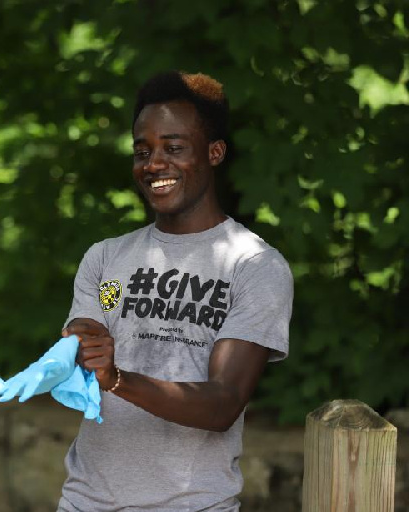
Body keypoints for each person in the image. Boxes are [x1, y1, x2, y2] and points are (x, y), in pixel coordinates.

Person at [57, 70, 294, 512]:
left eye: (174, 148)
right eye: (142, 150)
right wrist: (81, 339)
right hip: (85, 501)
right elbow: (100, 317)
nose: (154, 164)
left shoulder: (254, 267)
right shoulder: (108, 260)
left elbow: (222, 403)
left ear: (214, 152)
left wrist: (118, 379)